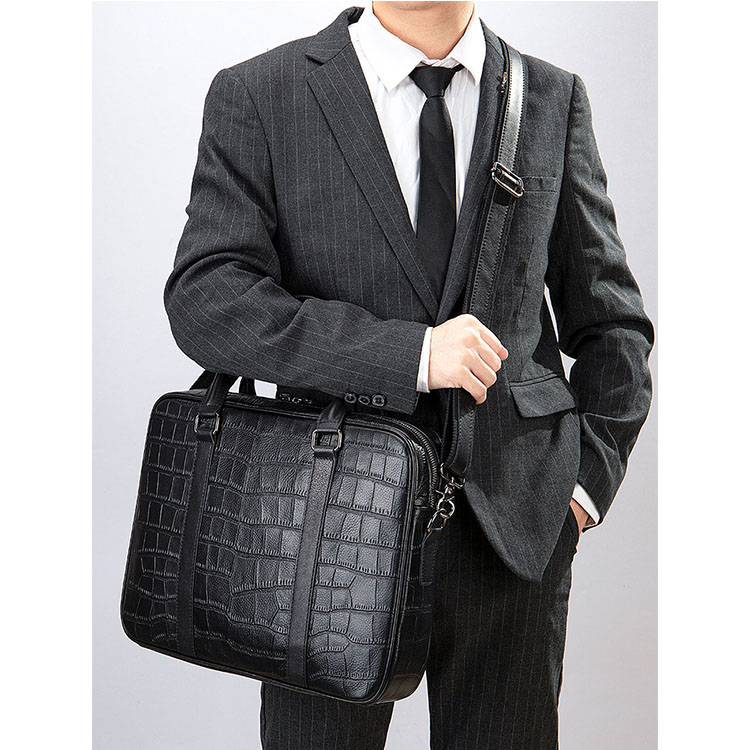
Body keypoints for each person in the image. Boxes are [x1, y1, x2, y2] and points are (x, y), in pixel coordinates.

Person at [164, 2, 654, 748]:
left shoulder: (552, 99)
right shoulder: (262, 93)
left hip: (515, 531)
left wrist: (580, 491)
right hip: (323, 531)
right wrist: (413, 355)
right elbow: (208, 300)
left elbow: (613, 324)